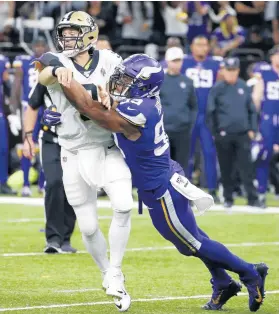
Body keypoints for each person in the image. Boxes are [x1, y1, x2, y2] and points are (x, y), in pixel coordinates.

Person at [43, 54, 268, 313]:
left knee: (191, 244)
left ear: (143, 85)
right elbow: (105, 105)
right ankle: (222, 282)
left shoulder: (139, 109)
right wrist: (61, 108)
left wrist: (62, 79)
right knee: (193, 238)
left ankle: (250, 272)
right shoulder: (139, 101)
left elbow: (92, 111)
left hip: (161, 189)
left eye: (127, 79)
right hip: (163, 176)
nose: (119, 81)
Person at [35, 11, 133, 311]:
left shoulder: (111, 61)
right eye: (63, 33)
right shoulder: (56, 60)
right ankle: (106, 271)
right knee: (88, 227)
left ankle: (116, 272)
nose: (66, 38)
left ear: (90, 34)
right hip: (73, 152)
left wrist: (113, 99)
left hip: (105, 147)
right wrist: (56, 72)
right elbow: (43, 70)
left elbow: (128, 92)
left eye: (72, 32)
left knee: (124, 205)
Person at [23, 82, 77, 253]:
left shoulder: (80, 76)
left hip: (76, 141)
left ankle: (66, 237)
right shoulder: (47, 77)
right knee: (54, 182)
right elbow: (32, 106)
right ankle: (53, 239)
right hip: (50, 139)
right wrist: (27, 136)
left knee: (73, 185)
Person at [207, 57, 261, 208]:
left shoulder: (243, 86)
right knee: (226, 168)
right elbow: (211, 111)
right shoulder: (217, 89)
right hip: (224, 134)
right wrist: (215, 132)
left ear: (238, 71)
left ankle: (253, 198)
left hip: (243, 133)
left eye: (234, 70)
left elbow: (252, 111)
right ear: (224, 71)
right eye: (228, 70)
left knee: (247, 168)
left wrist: (252, 129)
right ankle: (228, 198)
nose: (231, 73)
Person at [181, 35, 222, 202]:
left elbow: (220, 87)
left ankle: (212, 188)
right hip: (189, 114)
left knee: (209, 152)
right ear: (192, 47)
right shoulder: (183, 62)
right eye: (198, 44)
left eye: (204, 44)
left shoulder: (215, 64)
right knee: (186, 153)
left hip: (206, 115)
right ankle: (185, 190)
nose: (201, 48)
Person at [10, 36, 47, 196]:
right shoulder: (23, 61)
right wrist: (14, 111)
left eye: (41, 45)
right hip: (28, 107)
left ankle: (42, 183)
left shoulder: (49, 62)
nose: (39, 48)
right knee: (28, 144)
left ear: (46, 47)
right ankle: (26, 183)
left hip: (44, 107)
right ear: (32, 47)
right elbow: (17, 87)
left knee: (45, 145)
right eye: (36, 45)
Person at [160, 47, 197, 175]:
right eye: (174, 61)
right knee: (164, 165)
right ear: (167, 61)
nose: (176, 64)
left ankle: (181, 194)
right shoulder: (160, 81)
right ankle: (163, 193)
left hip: (183, 130)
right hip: (164, 131)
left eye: (179, 60)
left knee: (182, 165)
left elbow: (193, 106)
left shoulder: (188, 82)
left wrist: (189, 124)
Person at [252, 46, 279, 208]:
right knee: (264, 155)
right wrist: (254, 123)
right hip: (268, 120)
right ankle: (261, 191)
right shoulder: (264, 72)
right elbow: (256, 98)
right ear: (272, 57)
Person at [0, 55, 16, 195]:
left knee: (3, 150)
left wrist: (11, 112)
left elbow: (8, 85)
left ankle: (2, 182)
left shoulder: (2, 60)